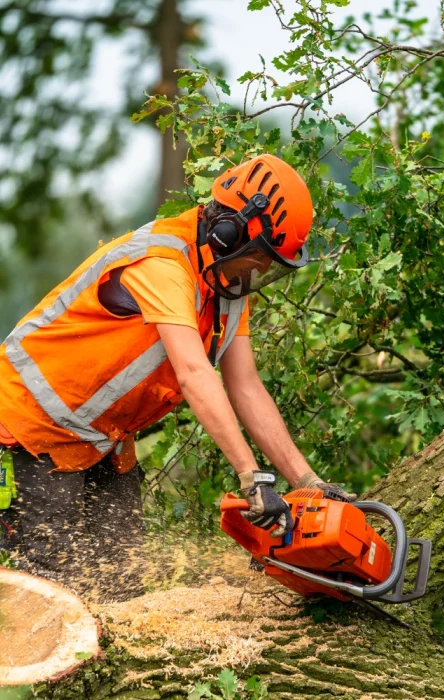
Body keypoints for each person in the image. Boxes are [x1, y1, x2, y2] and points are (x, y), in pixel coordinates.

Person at [0, 154, 354, 600]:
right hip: (28, 428)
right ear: (228, 233)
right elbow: (193, 372)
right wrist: (250, 476)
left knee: (120, 585)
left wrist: (307, 481)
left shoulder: (226, 287)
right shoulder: (164, 260)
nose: (258, 274)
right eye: (258, 259)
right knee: (53, 587)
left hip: (100, 441)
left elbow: (245, 386)